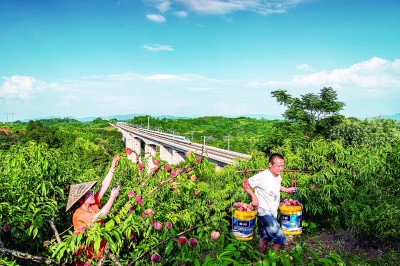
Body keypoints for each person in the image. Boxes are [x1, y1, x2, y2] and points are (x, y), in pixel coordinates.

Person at [65, 154, 121, 264]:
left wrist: (112, 168)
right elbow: (100, 215)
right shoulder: (79, 214)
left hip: (99, 254)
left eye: (91, 191)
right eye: (89, 193)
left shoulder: (92, 205)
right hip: (87, 259)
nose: (92, 193)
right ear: (81, 200)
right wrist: (112, 197)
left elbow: (103, 187)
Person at [242, 153, 296, 252]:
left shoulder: (277, 176)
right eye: (278, 166)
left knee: (264, 238)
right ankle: (271, 260)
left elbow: (275, 186)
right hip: (264, 212)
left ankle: (259, 260)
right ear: (270, 164)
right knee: (280, 239)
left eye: (282, 166)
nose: (281, 168)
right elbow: (245, 184)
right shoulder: (263, 176)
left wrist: (286, 189)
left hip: (272, 212)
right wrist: (254, 198)